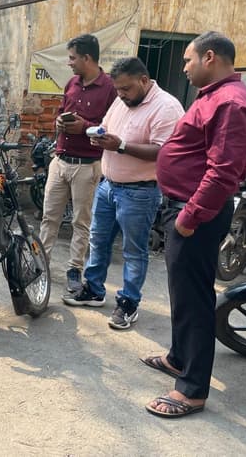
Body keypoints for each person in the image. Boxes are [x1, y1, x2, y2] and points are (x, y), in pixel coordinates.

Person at [144, 32, 246, 418]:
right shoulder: (214, 96)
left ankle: (192, 390)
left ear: (210, 57)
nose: (184, 67)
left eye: (188, 59)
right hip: (185, 208)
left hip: (196, 214)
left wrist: (189, 218)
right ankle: (179, 358)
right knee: (182, 292)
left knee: (194, 299)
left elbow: (223, 172)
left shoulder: (230, 103)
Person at [62, 57, 184, 329]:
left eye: (126, 89)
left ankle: (129, 302)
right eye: (117, 89)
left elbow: (164, 152)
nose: (121, 94)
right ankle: (94, 290)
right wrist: (99, 135)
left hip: (139, 191)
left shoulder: (167, 107)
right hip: (108, 185)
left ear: (144, 80)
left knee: (133, 250)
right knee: (98, 240)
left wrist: (120, 146)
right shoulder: (122, 100)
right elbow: (108, 127)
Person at [39, 34, 117, 294]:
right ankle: (41, 263)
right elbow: (61, 110)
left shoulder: (110, 88)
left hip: (87, 164)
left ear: (87, 58)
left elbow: (113, 128)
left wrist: (85, 127)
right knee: (49, 217)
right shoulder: (71, 83)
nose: (69, 62)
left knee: (81, 222)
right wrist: (60, 121)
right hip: (60, 160)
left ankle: (74, 269)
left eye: (73, 58)